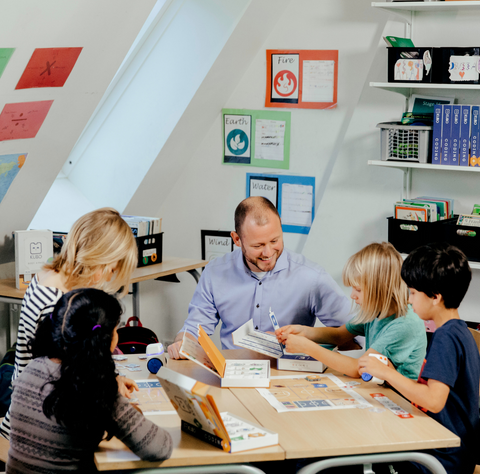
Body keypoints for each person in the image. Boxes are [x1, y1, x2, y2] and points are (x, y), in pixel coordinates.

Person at [0, 207, 138, 440]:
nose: (107, 278)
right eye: (110, 269)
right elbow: (69, 378)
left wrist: (110, 381)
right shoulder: (56, 303)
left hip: (28, 410)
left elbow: (70, 363)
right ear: (97, 257)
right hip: (39, 424)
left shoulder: (48, 278)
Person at [7, 288, 173, 473]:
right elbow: (160, 447)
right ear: (104, 339)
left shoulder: (32, 369)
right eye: (116, 329)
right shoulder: (93, 389)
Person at [168, 196, 354, 359]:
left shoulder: (311, 277)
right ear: (237, 239)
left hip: (290, 375)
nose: (268, 252)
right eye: (258, 245)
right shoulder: (215, 272)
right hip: (233, 372)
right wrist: (183, 344)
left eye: (275, 241)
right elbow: (193, 330)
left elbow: (356, 334)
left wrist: (312, 341)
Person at [358, 243, 480, 474]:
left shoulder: (445, 337)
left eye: (413, 292)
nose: (410, 299)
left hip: (442, 457)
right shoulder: (460, 331)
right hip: (453, 449)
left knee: (360, 458)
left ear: (435, 296)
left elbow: (434, 401)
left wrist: (386, 372)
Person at [276, 242, 427, 380]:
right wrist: (302, 331)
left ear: (381, 289)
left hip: (399, 400)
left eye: (358, 289)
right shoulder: (376, 311)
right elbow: (338, 335)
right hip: (377, 388)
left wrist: (307, 347)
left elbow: (358, 369)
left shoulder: (405, 324)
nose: (353, 296)